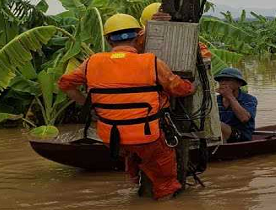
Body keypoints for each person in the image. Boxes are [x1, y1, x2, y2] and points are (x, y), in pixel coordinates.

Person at [58, 13, 195, 200]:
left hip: (111, 136)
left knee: (131, 150)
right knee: (165, 176)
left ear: (108, 39)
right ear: (139, 37)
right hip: (146, 136)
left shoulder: (92, 62)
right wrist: (191, 86)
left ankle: (133, 175)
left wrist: (89, 108)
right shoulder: (151, 61)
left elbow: (65, 84)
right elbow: (178, 88)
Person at [215, 68, 257, 143]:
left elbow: (244, 118)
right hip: (220, 135)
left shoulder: (249, 99)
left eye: (227, 80)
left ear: (239, 84)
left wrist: (230, 97)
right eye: (221, 80)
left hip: (241, 136)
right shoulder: (215, 100)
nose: (223, 83)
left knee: (217, 124)